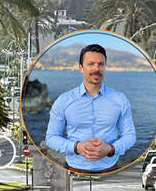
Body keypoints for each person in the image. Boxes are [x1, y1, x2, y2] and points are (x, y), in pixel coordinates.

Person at [44, 43, 137, 173]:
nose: (96, 69)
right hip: (73, 170)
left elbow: (130, 135)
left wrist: (110, 149)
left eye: (100, 64)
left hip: (111, 169)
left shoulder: (120, 99)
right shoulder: (64, 100)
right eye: (91, 64)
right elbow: (51, 137)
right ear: (81, 67)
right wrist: (77, 147)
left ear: (105, 67)